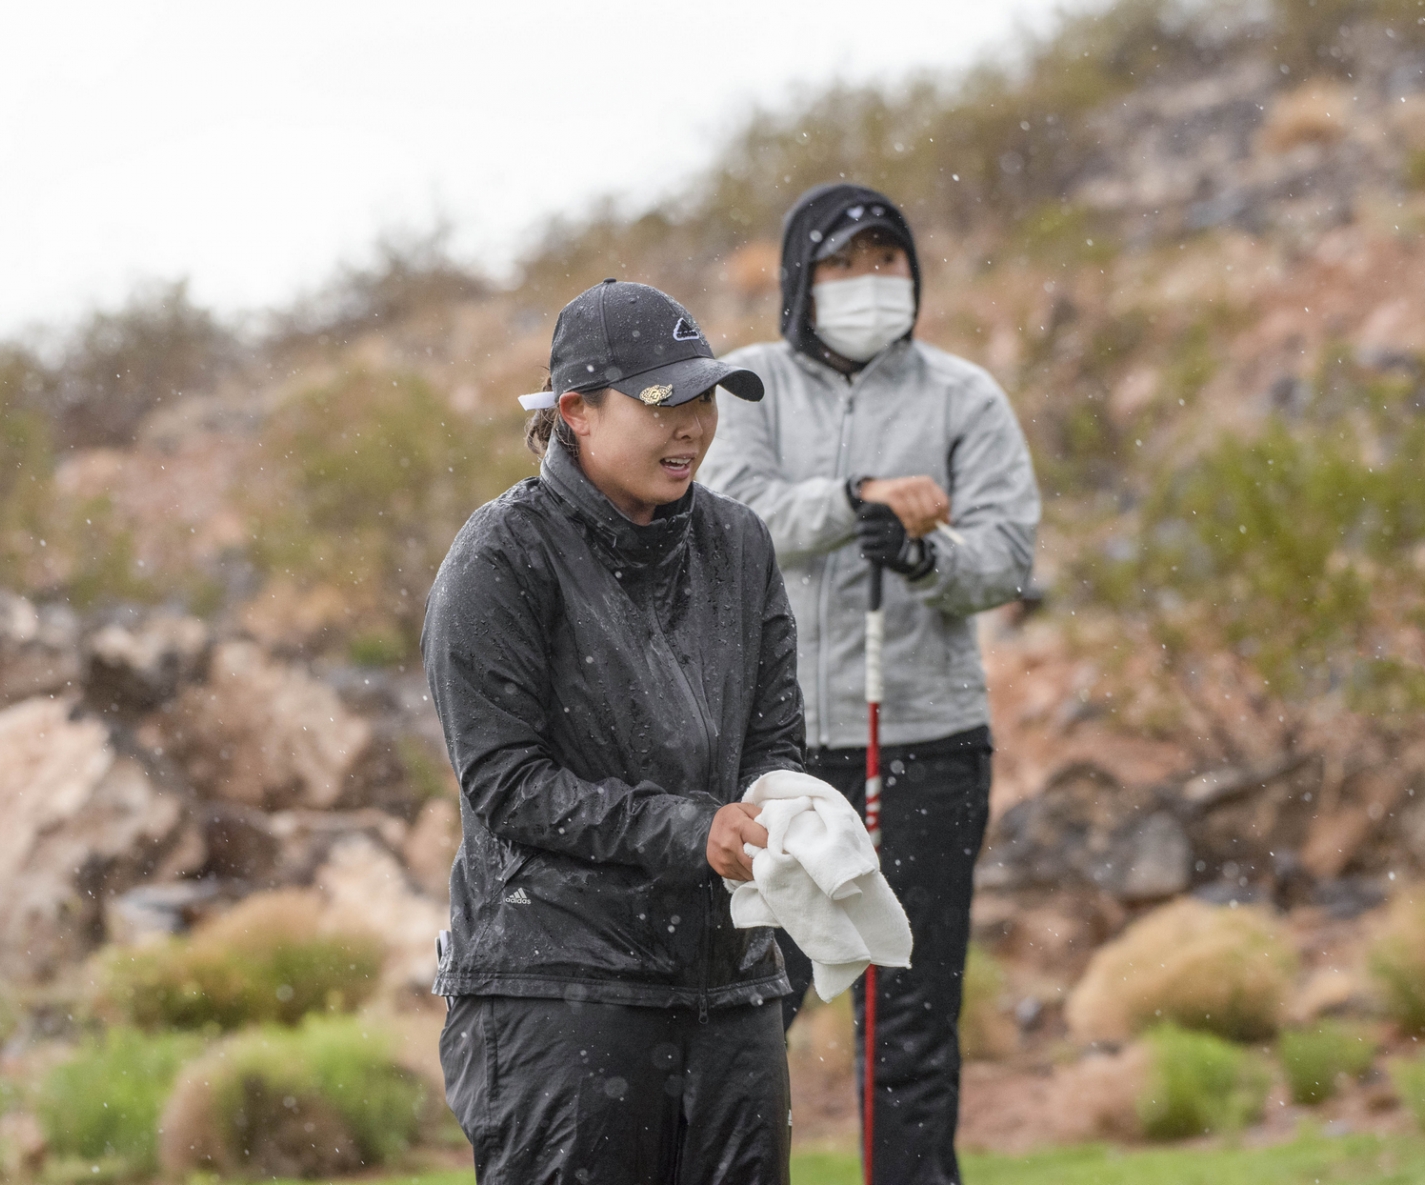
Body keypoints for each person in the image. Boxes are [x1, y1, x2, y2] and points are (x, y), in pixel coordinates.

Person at [424, 278, 807, 1183]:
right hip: (556, 988)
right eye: (665, 400)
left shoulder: (739, 544)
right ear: (577, 412)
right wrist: (690, 829)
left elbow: (776, 740)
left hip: (731, 988)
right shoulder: (500, 555)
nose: (694, 426)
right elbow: (508, 784)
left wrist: (784, 812)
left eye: (706, 397)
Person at [699, 183, 1040, 1185]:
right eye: (842, 265)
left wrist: (927, 556)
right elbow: (733, 513)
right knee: (752, 1008)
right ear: (802, 281)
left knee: (910, 1018)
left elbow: (1008, 554)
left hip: (928, 743)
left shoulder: (963, 396)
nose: (866, 284)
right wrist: (856, 502)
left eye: (885, 262)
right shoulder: (744, 386)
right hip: (778, 756)